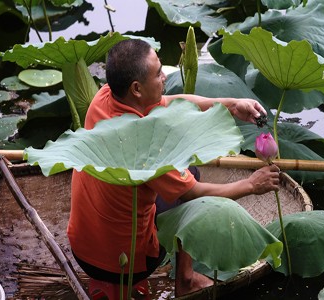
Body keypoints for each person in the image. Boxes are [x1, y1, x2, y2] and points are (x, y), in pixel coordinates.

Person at [67, 38, 280, 298]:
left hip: (81, 249)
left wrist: (231, 104)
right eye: (158, 73)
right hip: (127, 263)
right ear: (136, 88)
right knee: (190, 178)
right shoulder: (147, 147)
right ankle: (186, 279)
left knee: (179, 179)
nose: (165, 76)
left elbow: (170, 103)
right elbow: (194, 192)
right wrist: (251, 185)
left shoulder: (105, 97)